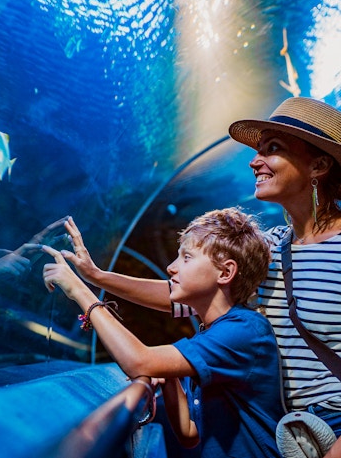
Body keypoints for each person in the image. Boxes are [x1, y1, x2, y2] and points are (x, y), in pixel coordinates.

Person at [52, 97, 341, 456]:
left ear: (320, 164)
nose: (254, 160)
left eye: (273, 148)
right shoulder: (270, 248)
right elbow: (186, 294)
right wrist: (97, 275)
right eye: (258, 149)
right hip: (291, 432)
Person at [42, 207, 284, 457]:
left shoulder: (244, 330)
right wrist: (168, 376)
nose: (171, 267)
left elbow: (139, 361)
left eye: (186, 257)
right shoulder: (213, 333)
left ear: (225, 273)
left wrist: (80, 291)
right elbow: (190, 434)